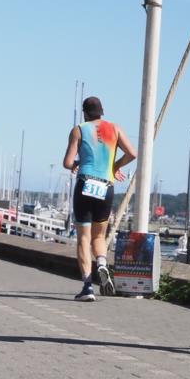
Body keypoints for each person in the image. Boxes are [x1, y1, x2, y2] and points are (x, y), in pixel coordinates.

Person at [62, 96, 137, 301]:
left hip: (86, 182)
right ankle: (102, 264)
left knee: (84, 238)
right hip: (106, 185)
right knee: (99, 236)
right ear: (102, 112)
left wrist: (78, 162)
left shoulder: (79, 129)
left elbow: (67, 162)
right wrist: (115, 166)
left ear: (85, 113)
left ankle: (87, 287)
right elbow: (132, 153)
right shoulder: (115, 128)